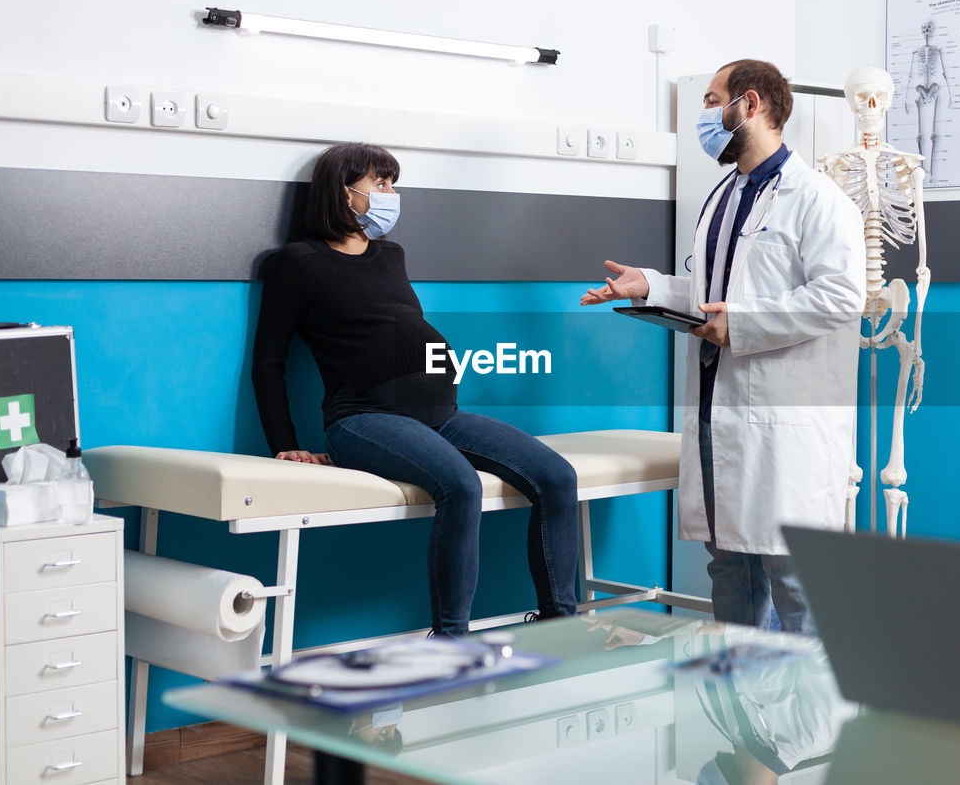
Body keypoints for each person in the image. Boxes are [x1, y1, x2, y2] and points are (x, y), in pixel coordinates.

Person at [581, 60, 864, 634]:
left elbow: (841, 297)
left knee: (793, 582)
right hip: (722, 414)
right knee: (730, 570)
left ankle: (809, 724)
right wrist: (654, 286)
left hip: (786, 424)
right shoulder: (722, 197)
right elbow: (723, 294)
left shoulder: (818, 199)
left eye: (712, 101)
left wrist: (745, 324)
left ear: (751, 104)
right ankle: (741, 718)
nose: (704, 115)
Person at [252, 142, 579, 637]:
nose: (391, 194)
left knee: (557, 476)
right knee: (460, 486)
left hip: (441, 414)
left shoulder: (390, 255)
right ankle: (451, 640)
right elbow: (268, 361)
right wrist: (284, 443)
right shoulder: (296, 263)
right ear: (344, 194)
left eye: (391, 183)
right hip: (363, 417)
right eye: (380, 184)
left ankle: (561, 623)